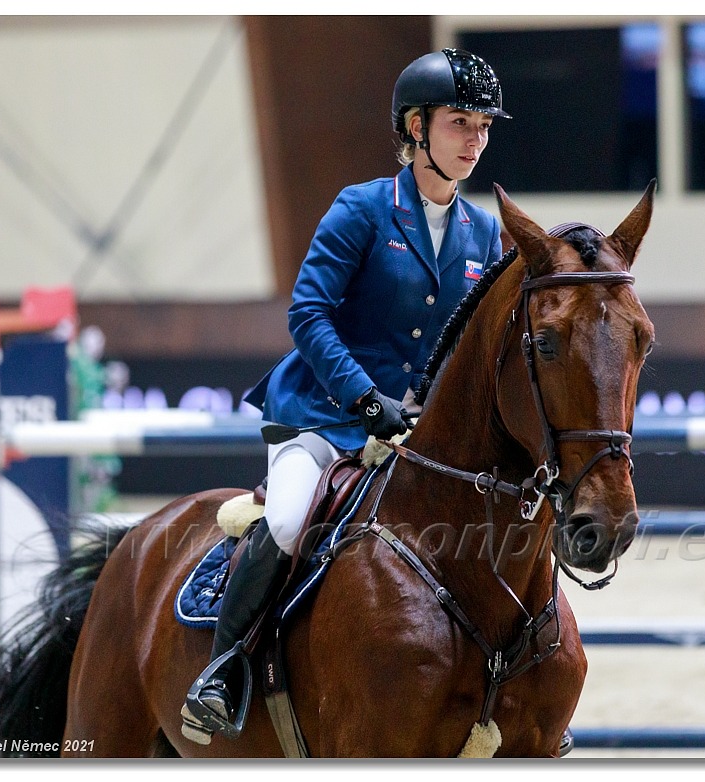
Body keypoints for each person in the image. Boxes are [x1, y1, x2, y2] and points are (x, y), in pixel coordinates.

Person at [181, 47, 511, 744]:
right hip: (323, 416)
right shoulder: (362, 209)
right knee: (289, 519)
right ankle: (224, 671)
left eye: (483, 127)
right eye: (460, 123)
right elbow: (308, 314)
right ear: (416, 127)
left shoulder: (486, 233)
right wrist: (366, 403)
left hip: (416, 430)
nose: (475, 141)